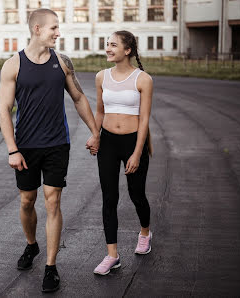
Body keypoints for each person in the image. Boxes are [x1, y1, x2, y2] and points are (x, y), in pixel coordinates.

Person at [0, 8, 100, 293]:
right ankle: (32, 245)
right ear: (37, 29)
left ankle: (51, 267)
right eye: (54, 28)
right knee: (27, 202)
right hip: (26, 147)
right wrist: (12, 149)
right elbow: (4, 110)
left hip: (57, 144)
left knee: (52, 201)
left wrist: (95, 132)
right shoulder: (13, 65)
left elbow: (79, 97)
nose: (59, 32)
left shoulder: (62, 62)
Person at [91, 30, 154, 276]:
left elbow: (145, 119)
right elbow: (99, 111)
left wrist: (137, 153)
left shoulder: (143, 79)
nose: (108, 48)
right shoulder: (101, 77)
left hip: (132, 142)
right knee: (109, 198)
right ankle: (112, 255)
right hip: (107, 142)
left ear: (127, 50)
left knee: (136, 194)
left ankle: (145, 232)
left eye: (113, 45)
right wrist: (95, 135)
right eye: (107, 44)